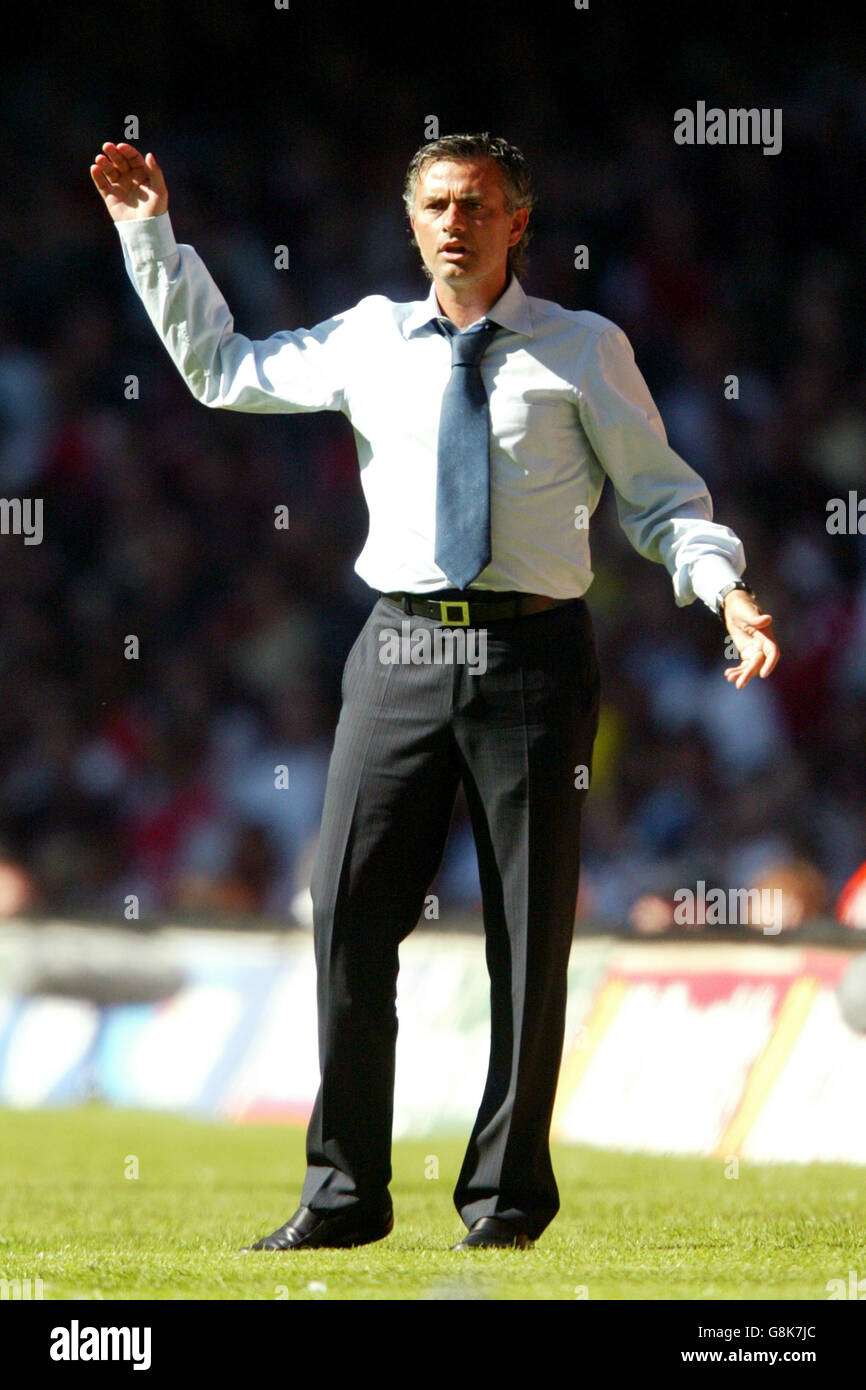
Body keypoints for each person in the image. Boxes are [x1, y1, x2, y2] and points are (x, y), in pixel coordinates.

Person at [91, 132, 780, 1252]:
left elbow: (661, 499)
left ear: (519, 221)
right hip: (400, 649)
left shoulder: (583, 348)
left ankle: (503, 1204)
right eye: (437, 203)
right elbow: (222, 369)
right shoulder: (367, 337)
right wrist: (147, 231)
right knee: (348, 921)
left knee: (527, 934)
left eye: (479, 203)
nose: (455, 220)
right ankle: (343, 1192)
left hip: (533, 659)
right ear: (410, 221)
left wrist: (723, 590)